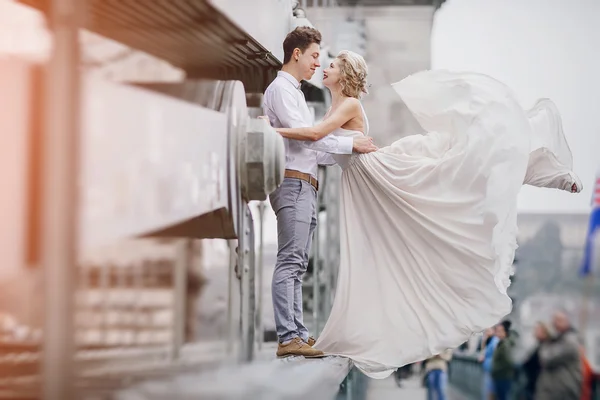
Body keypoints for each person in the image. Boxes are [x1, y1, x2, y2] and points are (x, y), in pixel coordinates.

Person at [268, 50, 582, 377]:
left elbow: (317, 138)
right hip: (366, 180)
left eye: (330, 64)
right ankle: (527, 163)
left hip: (380, 173)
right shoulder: (336, 106)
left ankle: (538, 165)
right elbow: (324, 150)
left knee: (456, 172)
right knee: (452, 170)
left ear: (344, 74)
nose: (323, 67)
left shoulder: (347, 104)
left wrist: (273, 132)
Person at [263, 28, 378, 358]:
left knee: (298, 264)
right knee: (291, 262)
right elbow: (308, 138)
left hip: (305, 182)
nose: (318, 62)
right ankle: (289, 337)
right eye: (315, 55)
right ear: (297, 54)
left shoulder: (295, 93)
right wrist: (349, 143)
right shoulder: (283, 91)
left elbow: (315, 147)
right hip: (295, 183)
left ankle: (297, 333)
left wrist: (348, 149)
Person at [536, 311, 583, 400]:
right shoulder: (558, 340)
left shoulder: (570, 341)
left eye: (559, 321)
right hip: (554, 390)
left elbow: (547, 358)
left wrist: (546, 339)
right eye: (554, 321)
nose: (555, 324)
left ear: (567, 321)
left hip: (563, 391)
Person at [491, 321, 517, 400]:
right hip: (500, 376)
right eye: (497, 331)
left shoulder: (505, 345)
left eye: (499, 331)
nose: (497, 333)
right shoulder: (501, 343)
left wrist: (496, 369)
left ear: (505, 332)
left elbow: (508, 361)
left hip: (503, 377)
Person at [479, 327, 500, 400]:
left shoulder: (495, 341)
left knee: (489, 391)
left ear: (493, 331)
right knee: (486, 390)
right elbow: (483, 352)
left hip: (491, 370)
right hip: (487, 368)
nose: (486, 333)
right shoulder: (489, 340)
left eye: (488, 331)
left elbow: (495, 355)